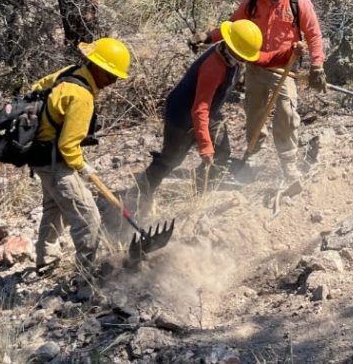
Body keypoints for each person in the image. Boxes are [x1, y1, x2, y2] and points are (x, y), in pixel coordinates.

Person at [189, 0, 325, 180]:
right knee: (254, 114)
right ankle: (253, 155)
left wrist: (317, 65)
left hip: (285, 68)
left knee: (286, 113)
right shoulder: (252, 1)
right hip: (256, 67)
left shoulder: (298, 3)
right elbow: (233, 27)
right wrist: (206, 37)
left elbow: (314, 35)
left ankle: (289, 163)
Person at [133, 20, 263, 211]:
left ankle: (200, 190)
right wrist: (204, 146)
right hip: (181, 114)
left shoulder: (232, 54)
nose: (244, 60)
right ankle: (142, 192)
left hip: (209, 112)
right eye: (242, 55)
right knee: (172, 159)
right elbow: (199, 109)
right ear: (232, 46)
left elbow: (224, 35)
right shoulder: (215, 68)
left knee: (222, 151)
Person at [30, 38, 131, 273]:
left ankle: (46, 260)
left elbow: (37, 88)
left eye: (116, 75)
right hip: (54, 160)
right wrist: (85, 169)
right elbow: (68, 146)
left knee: (55, 206)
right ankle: (87, 273)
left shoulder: (72, 72)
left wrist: (48, 122)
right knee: (88, 216)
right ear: (96, 66)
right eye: (110, 74)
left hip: (38, 153)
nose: (114, 80)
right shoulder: (82, 96)